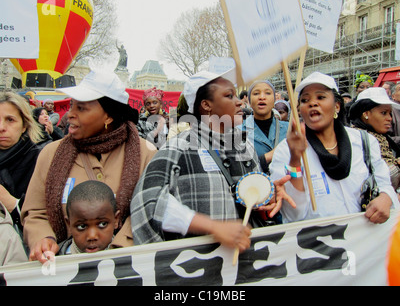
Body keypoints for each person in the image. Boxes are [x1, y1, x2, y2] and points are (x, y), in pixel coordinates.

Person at [130, 69, 295, 252]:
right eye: (229, 95)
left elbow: (254, 203)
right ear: (207, 105)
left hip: (246, 264)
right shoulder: (179, 147)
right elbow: (146, 202)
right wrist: (212, 227)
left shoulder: (245, 146)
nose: (240, 101)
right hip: (199, 268)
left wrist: (267, 193)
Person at [21, 70, 157, 264]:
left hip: (127, 266)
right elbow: (35, 212)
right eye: (71, 105)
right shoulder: (50, 154)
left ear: (108, 116)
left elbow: (150, 209)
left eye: (82, 108)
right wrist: (44, 238)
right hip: (63, 268)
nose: (70, 114)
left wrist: (118, 249)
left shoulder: (146, 154)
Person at [269, 72, 398, 224]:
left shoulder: (365, 142)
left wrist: (386, 197)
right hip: (320, 243)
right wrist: (295, 159)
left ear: (337, 105)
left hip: (365, 241)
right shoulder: (285, 150)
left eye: (321, 97)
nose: (312, 103)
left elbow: (384, 184)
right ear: (299, 110)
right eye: (305, 100)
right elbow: (293, 214)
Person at [0, 90, 42, 231]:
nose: (1, 128)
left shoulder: (39, 160)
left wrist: (11, 202)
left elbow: (43, 218)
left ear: (24, 125)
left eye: (10, 120)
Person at [349, 87, 400, 191]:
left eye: (390, 113)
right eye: (384, 113)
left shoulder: (383, 139)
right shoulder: (356, 141)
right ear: (366, 114)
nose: (389, 118)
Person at [239, 80, 289, 174]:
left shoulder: (290, 129)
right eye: (256, 93)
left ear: (274, 100)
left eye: (267, 93)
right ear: (249, 101)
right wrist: (268, 156)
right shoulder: (236, 131)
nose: (262, 97)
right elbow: (236, 169)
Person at [58, 180, 120, 255]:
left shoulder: (130, 257)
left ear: (116, 220)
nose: (92, 236)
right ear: (69, 224)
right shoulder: (55, 261)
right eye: (82, 226)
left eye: (103, 224)